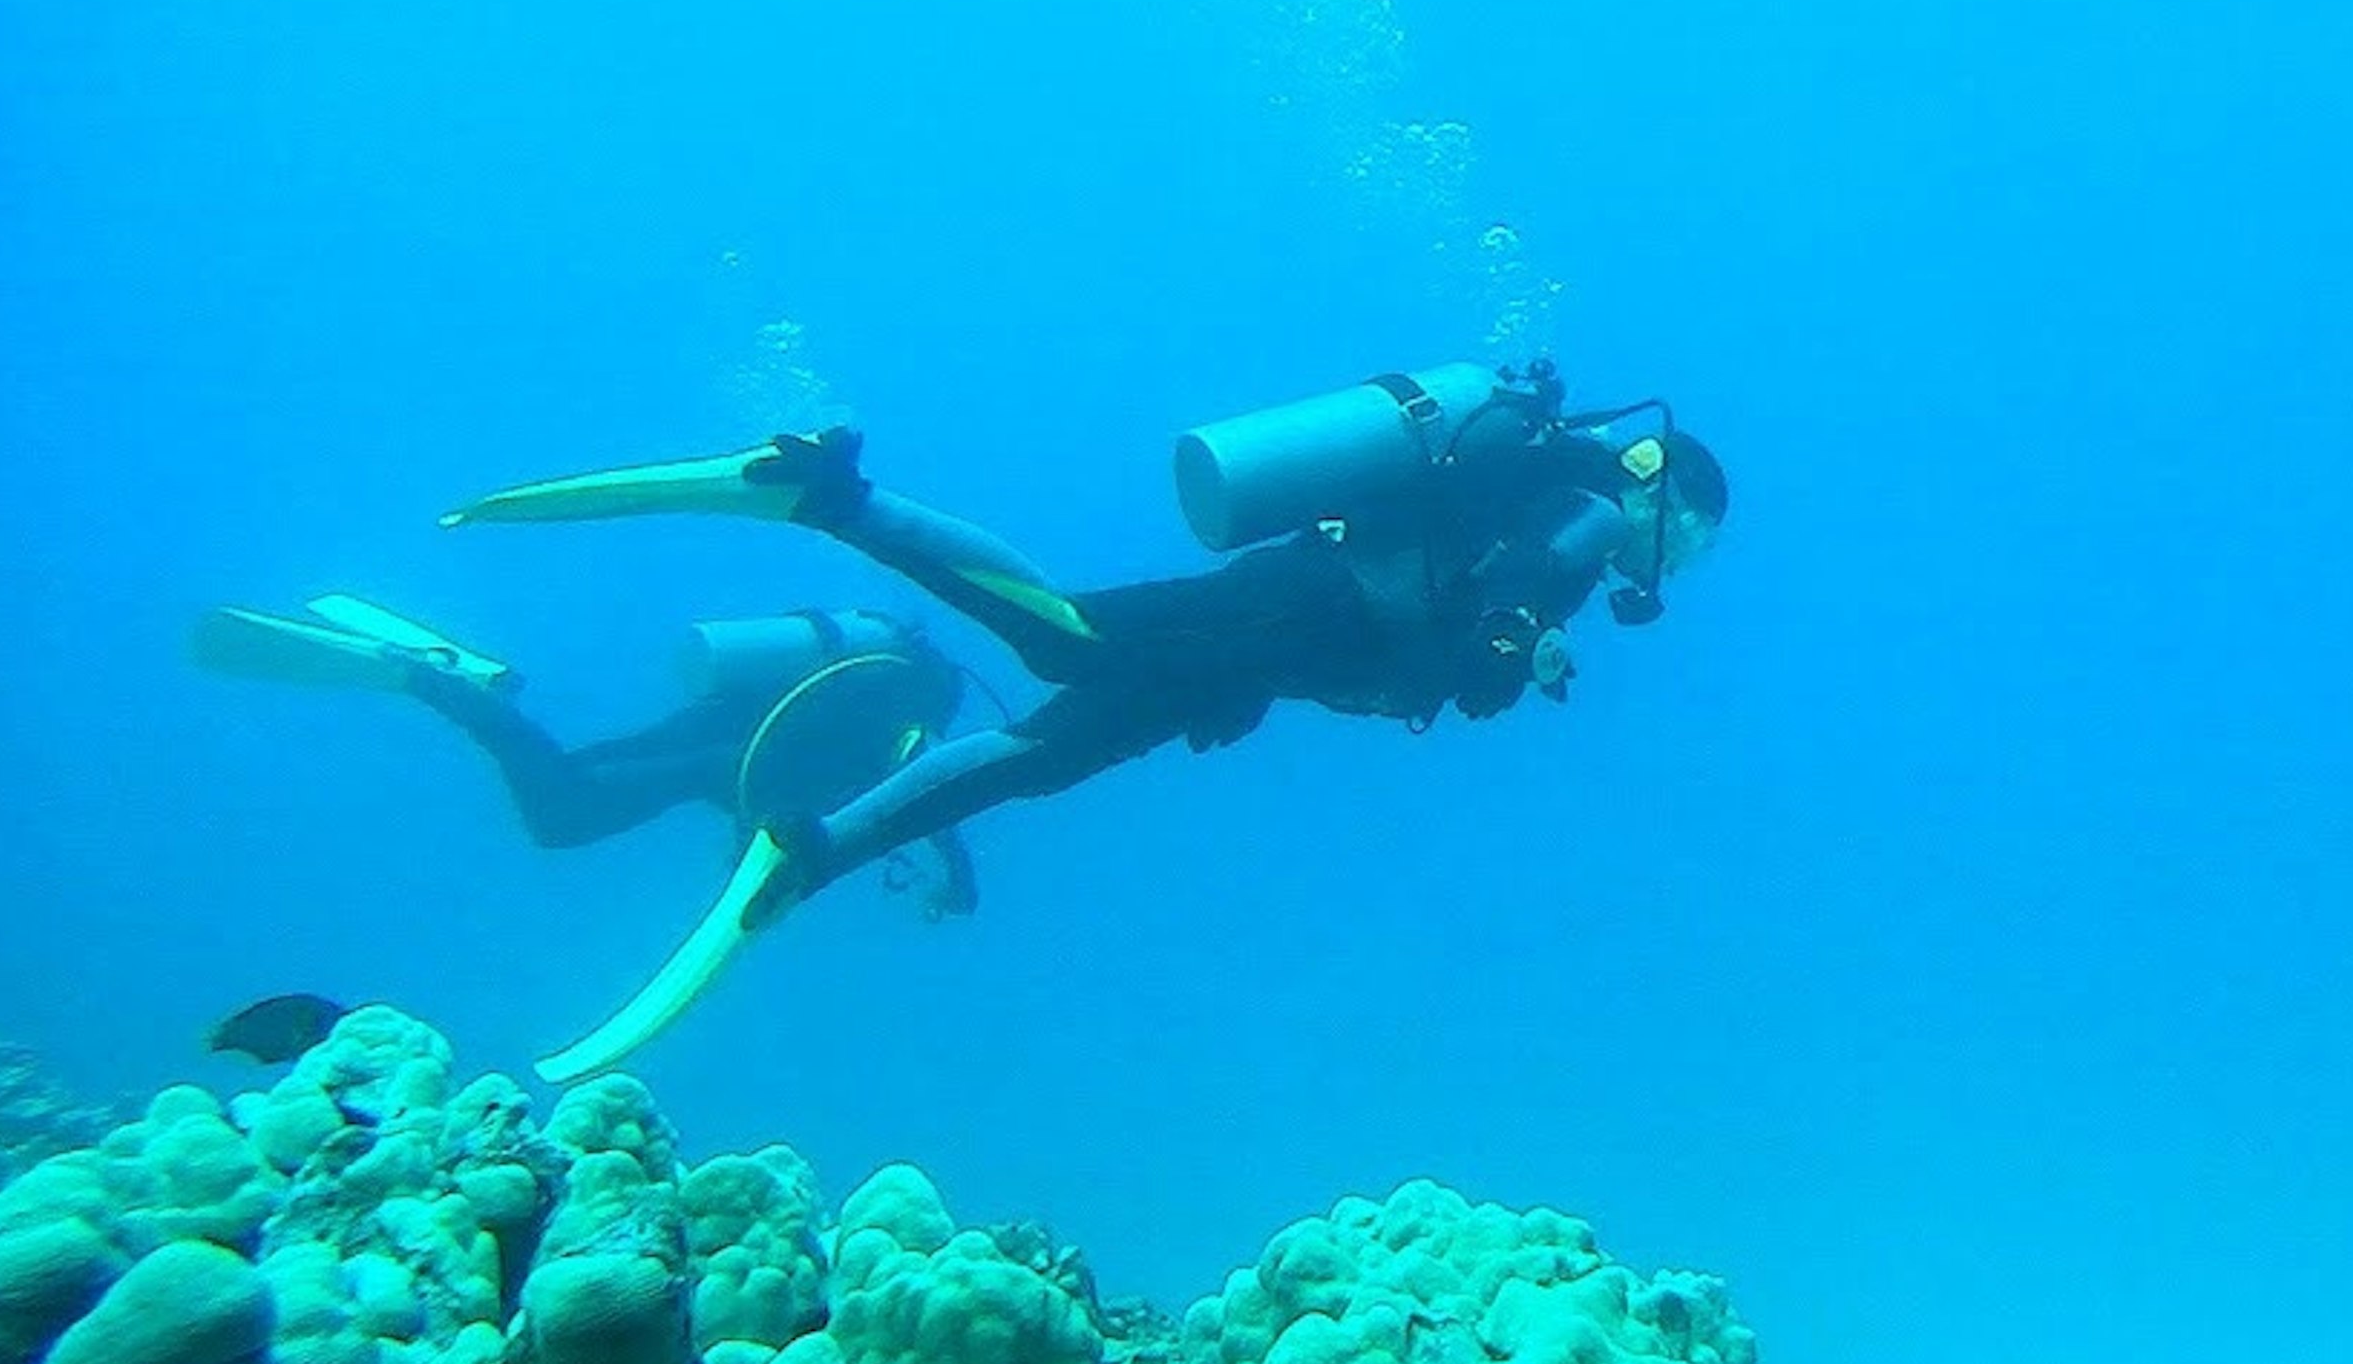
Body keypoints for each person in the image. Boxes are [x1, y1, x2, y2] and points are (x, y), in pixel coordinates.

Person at [436, 356, 1729, 1078]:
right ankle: (836, 500)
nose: (1662, 560)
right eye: (1688, 539)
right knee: (1056, 638)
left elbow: (1457, 606)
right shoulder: (1598, 509)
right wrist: (1516, 649)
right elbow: (1500, 607)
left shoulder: (1551, 490)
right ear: (1668, 501)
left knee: (1034, 755)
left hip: (1275, 639)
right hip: (1292, 615)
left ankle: (814, 844)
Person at [191, 593, 983, 916]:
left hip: (709, 727)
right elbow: (932, 787)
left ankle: (464, 687)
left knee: (566, 779)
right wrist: (963, 883)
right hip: (721, 758)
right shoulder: (903, 720)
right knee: (563, 816)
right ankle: (437, 684)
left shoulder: (857, 688)